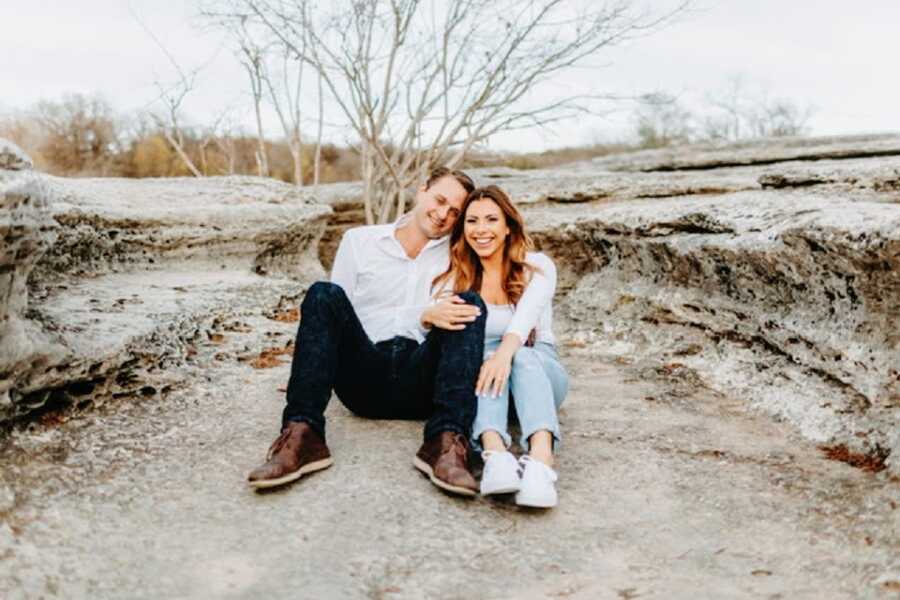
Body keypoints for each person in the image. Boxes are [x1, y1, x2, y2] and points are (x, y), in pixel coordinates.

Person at [247, 167, 489, 496]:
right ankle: (302, 436)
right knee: (323, 293)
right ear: (421, 191)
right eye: (439, 199)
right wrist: (424, 314)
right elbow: (334, 319)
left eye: (455, 212)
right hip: (364, 379)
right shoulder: (359, 241)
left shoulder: (459, 256)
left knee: (470, 304)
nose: (443, 214)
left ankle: (446, 443)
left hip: (422, 384)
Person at [432, 185, 568, 508]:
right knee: (485, 358)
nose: (481, 230)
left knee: (514, 355)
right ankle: (496, 456)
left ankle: (541, 460)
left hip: (540, 370)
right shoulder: (457, 277)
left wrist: (504, 354)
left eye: (491, 219)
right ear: (463, 230)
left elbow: (524, 319)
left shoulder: (537, 267)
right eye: (472, 221)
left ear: (508, 226)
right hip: (490, 382)